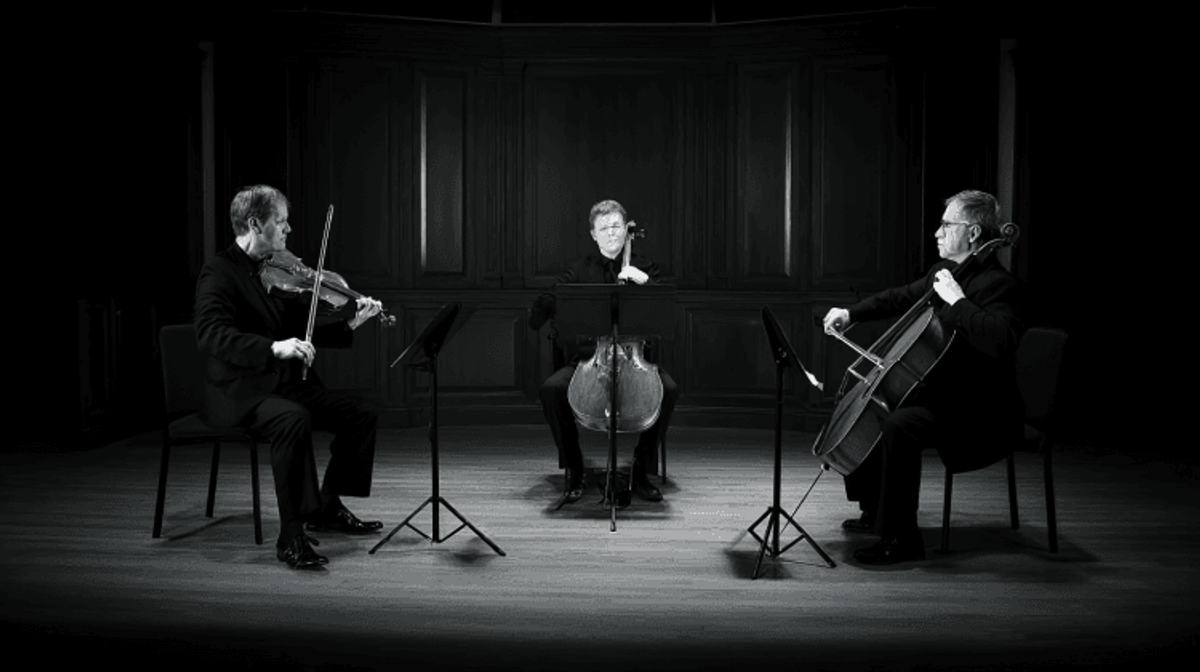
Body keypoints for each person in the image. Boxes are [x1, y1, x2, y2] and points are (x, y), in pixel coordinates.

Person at [821, 190, 1025, 565]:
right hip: (943, 393)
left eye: (947, 225)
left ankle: (902, 540)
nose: (937, 232)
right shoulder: (942, 273)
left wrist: (957, 300)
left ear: (975, 233)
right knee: (876, 400)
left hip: (978, 407)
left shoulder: (998, 285)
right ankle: (876, 512)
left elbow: (1001, 340)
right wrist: (851, 314)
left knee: (901, 423)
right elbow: (901, 297)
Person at [194, 184, 386, 570]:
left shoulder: (273, 270)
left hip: (280, 385)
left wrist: (351, 321)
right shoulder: (219, 272)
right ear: (254, 223)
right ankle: (291, 536)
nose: (287, 230)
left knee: (361, 412)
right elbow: (211, 334)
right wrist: (272, 348)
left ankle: (327, 506)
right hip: (240, 392)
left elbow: (300, 323)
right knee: (292, 419)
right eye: (280, 222)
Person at [529, 199, 679, 506]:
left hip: (634, 360)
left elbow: (667, 308)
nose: (612, 233)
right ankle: (574, 466)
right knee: (551, 390)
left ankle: (641, 468)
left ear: (626, 230)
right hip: (591, 360)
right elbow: (555, 293)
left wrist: (646, 282)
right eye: (604, 228)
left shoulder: (645, 266)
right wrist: (545, 305)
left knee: (670, 390)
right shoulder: (580, 269)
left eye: (617, 227)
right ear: (594, 234)